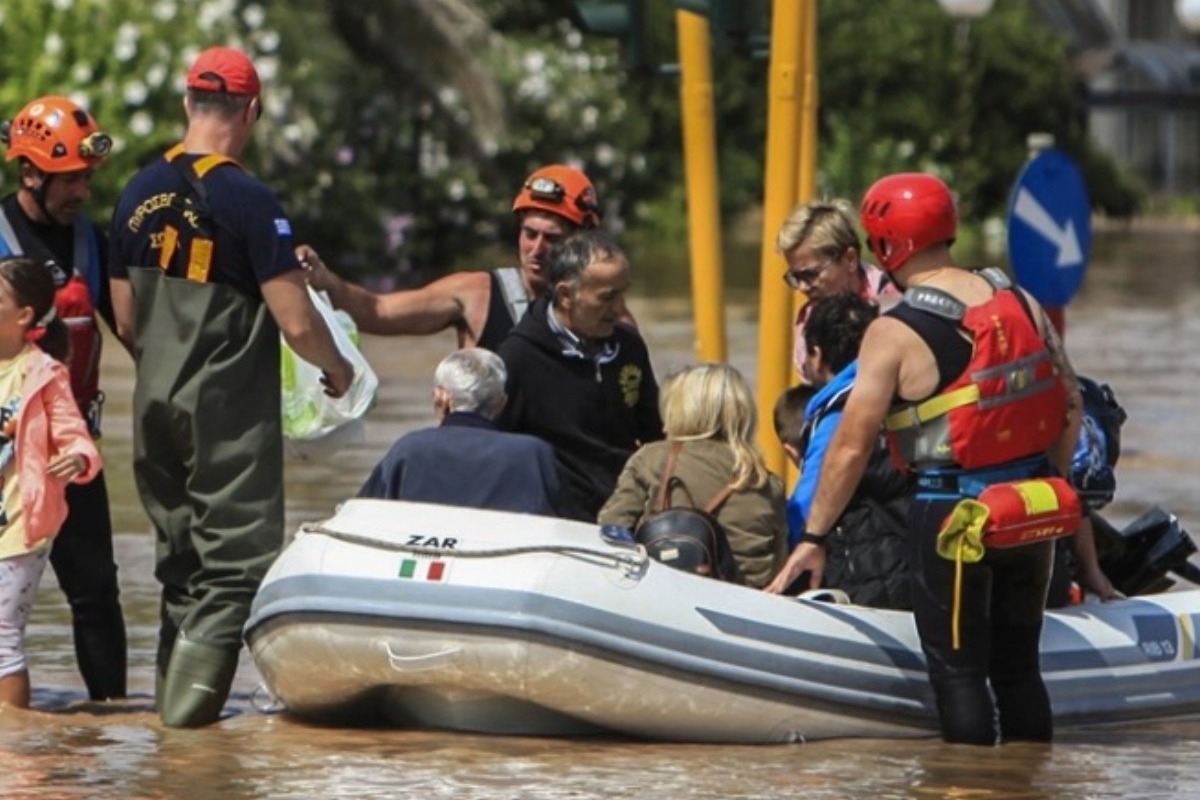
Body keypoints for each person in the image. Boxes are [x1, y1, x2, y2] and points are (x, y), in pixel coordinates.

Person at [766, 173, 1083, 746]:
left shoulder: (893, 331)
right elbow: (1071, 403)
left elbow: (852, 446)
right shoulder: (1020, 300)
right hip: (1032, 507)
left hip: (951, 517)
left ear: (884, 245)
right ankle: (1030, 782)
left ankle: (966, 785)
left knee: (959, 676)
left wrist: (814, 536)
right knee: (1018, 669)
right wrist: (1049, 477)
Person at [108, 46, 354, 728]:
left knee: (182, 568)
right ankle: (187, 737)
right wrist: (339, 371)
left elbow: (124, 320)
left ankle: (164, 743)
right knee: (236, 569)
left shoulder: (133, 194)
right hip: (225, 412)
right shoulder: (250, 201)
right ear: (251, 112)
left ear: (189, 104)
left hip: (155, 406)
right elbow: (298, 323)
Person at [0, 95, 128, 700]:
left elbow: (131, 331)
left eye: (86, 177)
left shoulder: (90, 242)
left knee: (97, 592)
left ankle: (111, 731)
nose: (81, 190)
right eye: (68, 178)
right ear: (29, 174)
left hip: (74, 454)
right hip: (5, 460)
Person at [298, 164, 619, 350]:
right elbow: (376, 311)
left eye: (552, 239)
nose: (536, 250)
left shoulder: (606, 311)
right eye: (529, 234)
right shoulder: (475, 293)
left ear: (582, 240)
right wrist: (326, 280)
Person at [496, 229, 662, 522]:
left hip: (625, 514)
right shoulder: (518, 357)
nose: (619, 309)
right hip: (554, 520)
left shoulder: (629, 346)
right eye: (607, 298)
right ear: (565, 295)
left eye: (623, 293)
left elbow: (654, 434)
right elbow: (494, 449)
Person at [0, 256, 101, 709]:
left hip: (19, 526)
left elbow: (74, 434)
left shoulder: (43, 373)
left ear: (23, 315)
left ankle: (12, 745)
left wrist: (79, 460)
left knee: (2, 639)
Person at [773, 292, 911, 608]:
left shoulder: (835, 416)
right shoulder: (899, 392)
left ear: (817, 356)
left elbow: (810, 503)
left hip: (871, 576)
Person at [599, 363, 787, 589]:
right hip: (742, 606)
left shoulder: (651, 459)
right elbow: (777, 565)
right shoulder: (766, 482)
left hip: (665, 596)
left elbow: (609, 532)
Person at [359, 347, 563, 515]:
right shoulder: (532, 454)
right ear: (501, 403)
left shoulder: (409, 449)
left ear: (442, 398)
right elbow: (568, 527)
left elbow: (360, 515)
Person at [776, 198, 901, 382]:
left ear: (850, 260)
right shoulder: (808, 320)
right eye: (796, 278)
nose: (802, 288)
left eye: (811, 274)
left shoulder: (897, 307)